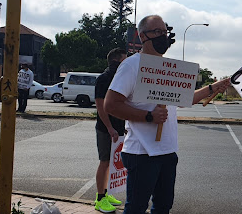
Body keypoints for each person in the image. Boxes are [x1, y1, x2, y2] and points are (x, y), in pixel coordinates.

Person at [104, 15, 231, 214]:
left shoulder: (169, 68)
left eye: (164, 32)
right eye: (157, 32)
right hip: (141, 152)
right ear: (141, 36)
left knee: (163, 207)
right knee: (136, 208)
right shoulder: (131, 65)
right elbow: (111, 105)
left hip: (167, 151)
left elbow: (185, 99)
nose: (163, 36)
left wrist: (213, 87)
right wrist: (148, 116)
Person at [94, 48, 127, 213]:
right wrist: (110, 128)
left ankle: (105, 194)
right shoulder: (104, 79)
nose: (126, 63)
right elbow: (100, 107)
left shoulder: (118, 79)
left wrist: (123, 127)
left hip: (118, 128)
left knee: (112, 164)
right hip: (106, 129)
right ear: (115, 61)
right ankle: (100, 199)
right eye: (124, 60)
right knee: (105, 162)